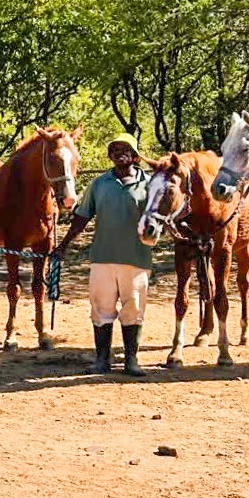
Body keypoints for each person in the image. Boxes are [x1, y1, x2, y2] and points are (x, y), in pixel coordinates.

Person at [50, 133, 155, 377]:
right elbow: (82, 217)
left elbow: (163, 214)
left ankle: (131, 360)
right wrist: (63, 245)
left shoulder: (149, 185)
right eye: (115, 149)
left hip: (137, 258)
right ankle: (101, 360)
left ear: (135, 155)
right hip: (103, 258)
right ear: (110, 156)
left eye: (125, 149)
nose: (120, 153)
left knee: (134, 309)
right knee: (101, 309)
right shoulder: (99, 184)